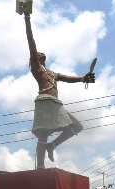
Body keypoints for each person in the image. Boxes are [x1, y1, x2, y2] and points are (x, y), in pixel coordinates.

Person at [24, 12, 95, 169]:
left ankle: (52, 146)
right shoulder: (37, 68)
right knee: (43, 134)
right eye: (37, 54)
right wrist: (27, 19)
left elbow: (67, 78)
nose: (41, 54)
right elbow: (31, 40)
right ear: (34, 58)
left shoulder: (52, 73)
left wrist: (83, 78)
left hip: (56, 103)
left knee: (77, 126)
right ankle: (40, 168)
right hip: (44, 102)